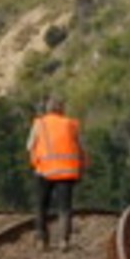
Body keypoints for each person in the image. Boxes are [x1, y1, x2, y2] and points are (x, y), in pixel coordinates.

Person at [26, 100, 85, 249]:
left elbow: (29, 145)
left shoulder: (40, 124)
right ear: (61, 110)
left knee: (41, 205)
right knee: (64, 208)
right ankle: (64, 240)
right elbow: (81, 147)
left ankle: (41, 239)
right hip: (67, 171)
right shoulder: (71, 124)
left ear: (47, 110)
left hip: (44, 171)